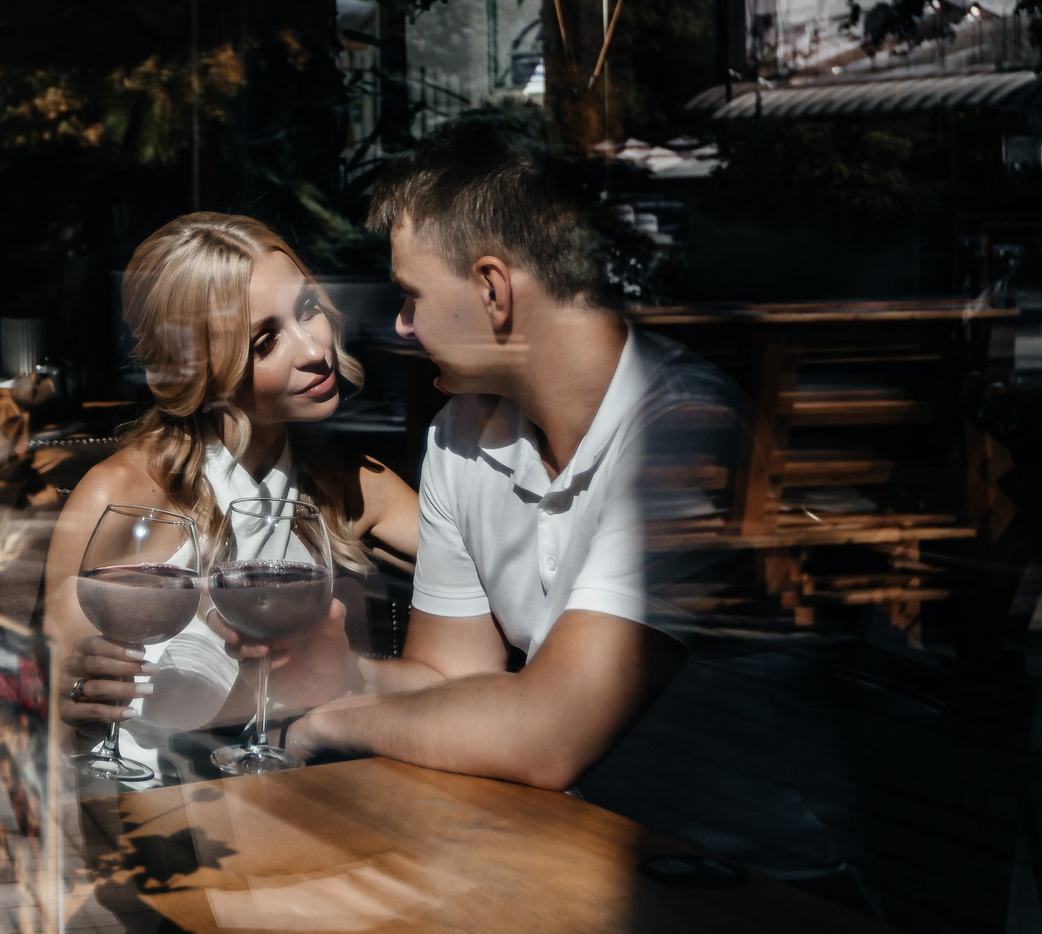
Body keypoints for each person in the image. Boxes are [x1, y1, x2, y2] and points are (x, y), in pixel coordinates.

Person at [278, 120, 738, 789]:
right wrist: (334, 675)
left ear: (493, 290)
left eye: (411, 295)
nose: (403, 325)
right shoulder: (459, 435)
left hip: (735, 874)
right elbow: (450, 679)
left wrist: (333, 721)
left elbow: (548, 735)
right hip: (558, 838)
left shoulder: (684, 428)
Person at [43, 214, 418, 766]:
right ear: (200, 370)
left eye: (308, 308)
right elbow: (51, 727)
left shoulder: (353, 485)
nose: (314, 349)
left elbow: (501, 592)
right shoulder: (117, 498)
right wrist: (75, 700)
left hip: (293, 798)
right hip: (153, 817)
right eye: (265, 340)